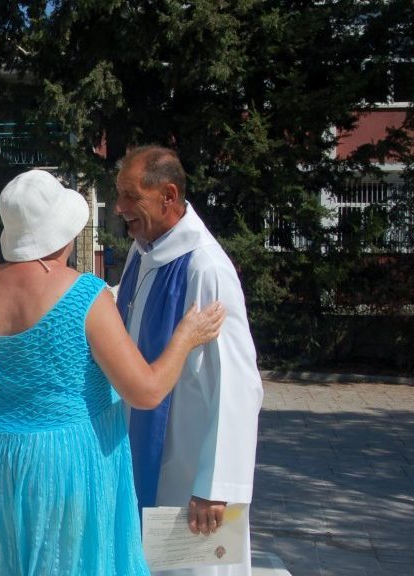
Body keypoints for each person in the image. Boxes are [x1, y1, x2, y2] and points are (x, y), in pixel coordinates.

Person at [0, 169, 225, 575]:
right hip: (62, 465)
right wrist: (185, 337)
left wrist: (8, 424)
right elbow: (145, 392)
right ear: (62, 232)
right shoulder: (83, 294)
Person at [113, 146, 263, 576]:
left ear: (168, 195)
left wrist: (216, 486)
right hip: (145, 458)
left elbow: (238, 383)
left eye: (129, 196)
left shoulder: (205, 267)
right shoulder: (144, 252)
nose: (120, 208)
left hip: (190, 477)